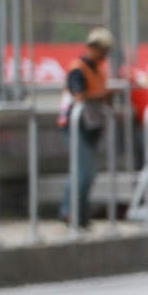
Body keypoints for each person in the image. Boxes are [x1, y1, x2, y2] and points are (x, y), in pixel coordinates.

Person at [58, 27, 117, 229]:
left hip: (92, 125)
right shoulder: (78, 68)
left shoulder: (99, 70)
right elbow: (80, 97)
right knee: (83, 171)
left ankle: (79, 213)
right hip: (76, 125)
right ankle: (70, 212)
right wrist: (103, 96)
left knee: (88, 172)